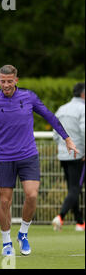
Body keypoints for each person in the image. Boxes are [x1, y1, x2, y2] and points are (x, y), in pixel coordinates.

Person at [0, 65, 79, 256]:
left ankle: (23, 234)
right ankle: (6, 243)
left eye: (9, 81)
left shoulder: (29, 97)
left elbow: (50, 117)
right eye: (3, 81)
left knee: (32, 195)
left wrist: (67, 138)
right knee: (5, 202)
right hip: (5, 159)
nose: (6, 85)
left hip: (28, 156)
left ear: (16, 80)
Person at [52, 82, 85, 232]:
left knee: (73, 188)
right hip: (79, 155)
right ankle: (60, 216)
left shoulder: (62, 109)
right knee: (75, 188)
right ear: (83, 94)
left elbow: (55, 134)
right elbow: (84, 131)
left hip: (63, 154)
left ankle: (80, 222)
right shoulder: (83, 109)